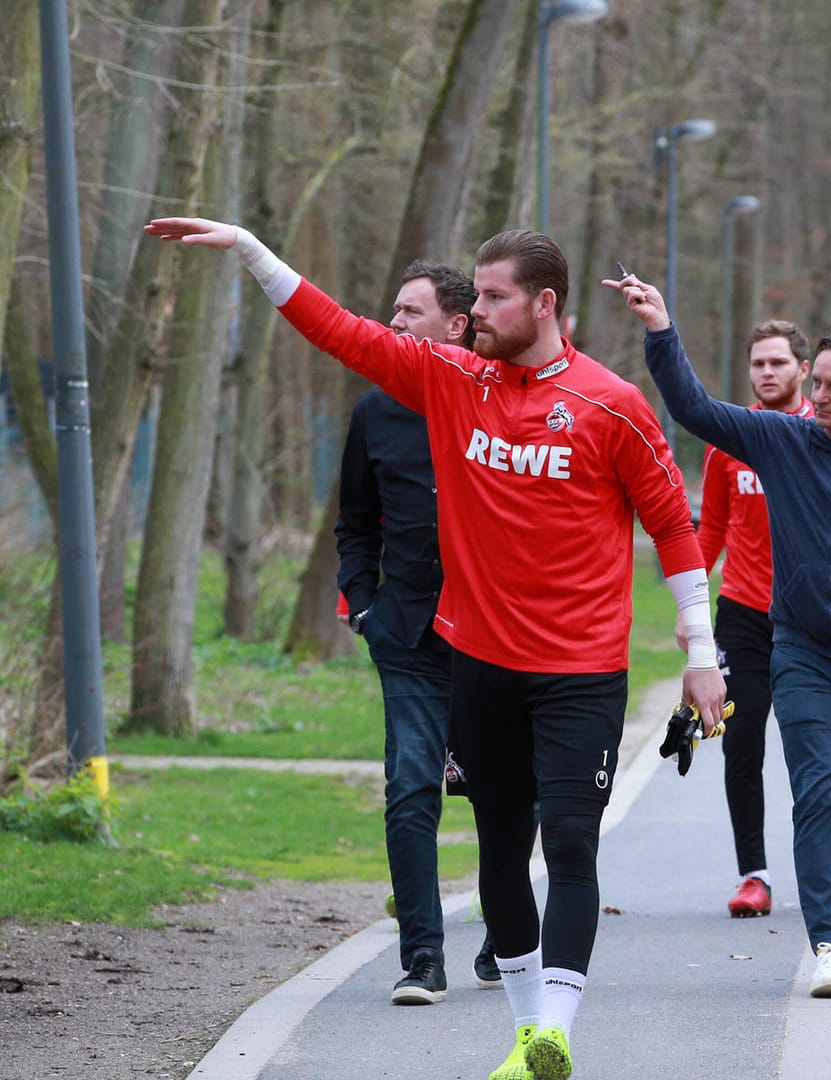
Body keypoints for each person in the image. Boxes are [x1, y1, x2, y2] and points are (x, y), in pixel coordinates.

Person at [146, 217, 726, 1080]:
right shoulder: (453, 380)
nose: (477, 310)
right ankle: (530, 1036)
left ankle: (559, 1026)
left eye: (493, 297)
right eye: (476, 294)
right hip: (479, 665)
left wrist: (700, 647)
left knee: (569, 845)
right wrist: (250, 250)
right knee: (498, 849)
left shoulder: (613, 404)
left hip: (581, 670)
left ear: (545, 302)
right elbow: (341, 330)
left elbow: (673, 528)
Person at [607, 270, 831, 1001]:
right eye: (818, 383)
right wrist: (661, 331)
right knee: (816, 794)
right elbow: (693, 408)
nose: (819, 397)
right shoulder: (780, 440)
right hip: (801, 652)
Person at [336, 261, 502, 1004]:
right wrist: (364, 606)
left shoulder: (499, 402)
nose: (392, 323)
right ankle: (423, 957)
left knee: (507, 792)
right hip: (405, 634)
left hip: (495, 635)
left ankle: (507, 928)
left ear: (456, 324)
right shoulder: (373, 412)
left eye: (409, 312)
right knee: (410, 789)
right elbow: (354, 524)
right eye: (392, 309)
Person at [696, 319, 814, 919]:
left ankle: (822, 872)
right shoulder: (728, 442)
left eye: (778, 363)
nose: (767, 373)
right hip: (742, 613)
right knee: (740, 744)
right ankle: (755, 875)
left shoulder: (825, 433)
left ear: (803, 369)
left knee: (809, 749)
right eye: (758, 364)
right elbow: (710, 530)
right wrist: (692, 610)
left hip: (812, 616)